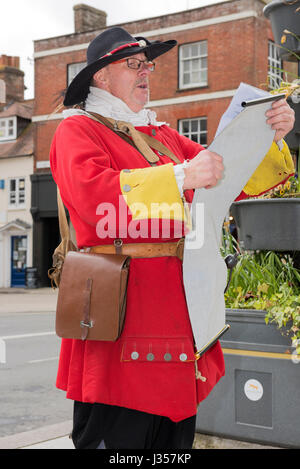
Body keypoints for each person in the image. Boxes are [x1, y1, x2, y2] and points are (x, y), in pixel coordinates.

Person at [49, 27, 295, 449]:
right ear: (100, 77)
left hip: (180, 305)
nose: (146, 72)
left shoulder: (161, 135)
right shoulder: (78, 131)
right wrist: (181, 175)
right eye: (133, 64)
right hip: (123, 312)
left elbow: (224, 174)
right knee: (120, 437)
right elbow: (93, 200)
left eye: (148, 64)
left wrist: (266, 136)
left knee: (173, 441)